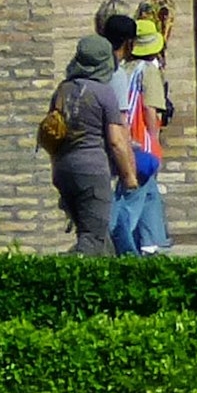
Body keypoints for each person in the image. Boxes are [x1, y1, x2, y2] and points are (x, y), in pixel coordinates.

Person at [46, 31, 135, 255]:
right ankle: (60, 277)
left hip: (63, 169)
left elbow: (51, 134)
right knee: (92, 240)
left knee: (98, 238)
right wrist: (129, 176)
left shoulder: (62, 90)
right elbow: (116, 141)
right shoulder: (104, 93)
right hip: (92, 171)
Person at [113, 0, 179, 255]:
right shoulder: (148, 71)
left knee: (149, 193)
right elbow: (151, 109)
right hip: (142, 139)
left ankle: (153, 240)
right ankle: (135, 244)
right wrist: (154, 139)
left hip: (125, 136)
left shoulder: (124, 68)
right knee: (138, 195)